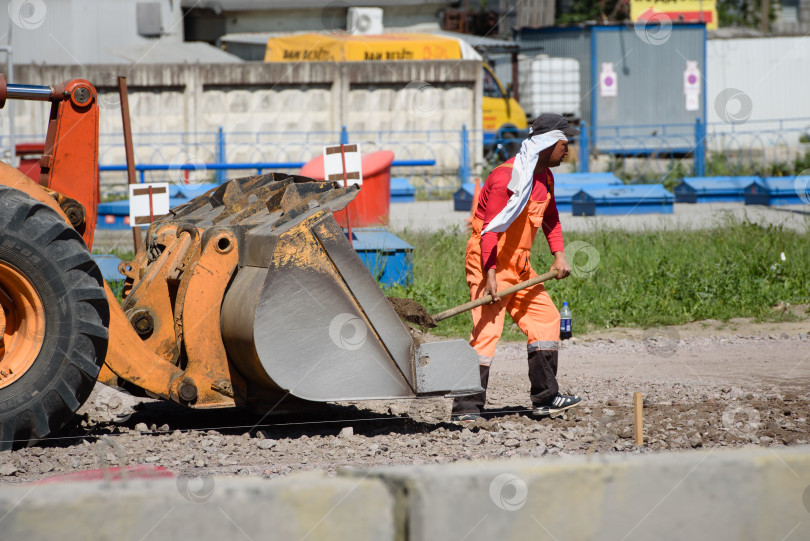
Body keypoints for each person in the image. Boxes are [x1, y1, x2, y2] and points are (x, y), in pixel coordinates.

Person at [451, 113, 583, 422]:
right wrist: (490, 274)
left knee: (547, 321)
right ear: (548, 144)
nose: (568, 150)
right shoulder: (505, 177)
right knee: (486, 333)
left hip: (520, 265)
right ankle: (466, 410)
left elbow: (551, 219)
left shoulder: (546, 178)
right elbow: (490, 231)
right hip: (489, 262)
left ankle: (546, 398)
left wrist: (559, 254)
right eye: (565, 144)